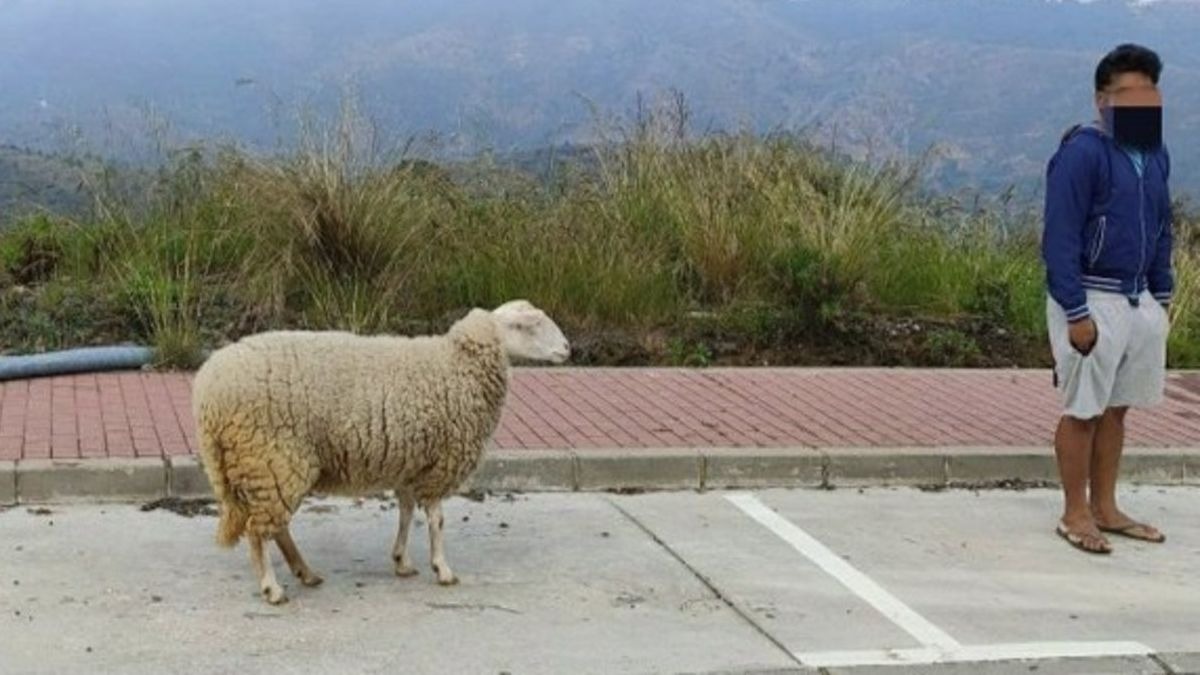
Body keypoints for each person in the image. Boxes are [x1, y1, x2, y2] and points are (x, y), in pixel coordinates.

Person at [1042, 43, 1174, 554]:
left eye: (1148, 92)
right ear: (1103, 100)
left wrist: (1161, 298)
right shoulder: (1082, 152)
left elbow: (1162, 228)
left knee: (1117, 410)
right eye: (1127, 94)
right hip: (1091, 297)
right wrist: (1075, 311)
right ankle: (1075, 512)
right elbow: (1060, 238)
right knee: (1083, 409)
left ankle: (1107, 507)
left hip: (1138, 299)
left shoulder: (1155, 154)